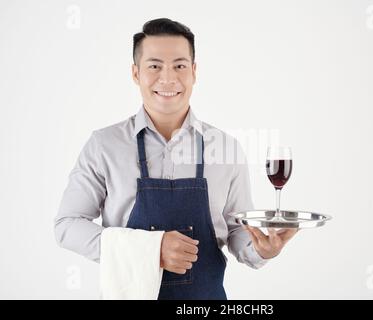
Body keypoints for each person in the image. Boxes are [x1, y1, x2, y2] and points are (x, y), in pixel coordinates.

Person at [54, 18, 298, 300]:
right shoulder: (103, 146)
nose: (168, 78)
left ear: (194, 72)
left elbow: (236, 230)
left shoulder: (226, 147)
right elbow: (67, 225)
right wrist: (150, 250)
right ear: (136, 73)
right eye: (154, 66)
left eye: (180, 66)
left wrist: (261, 249)